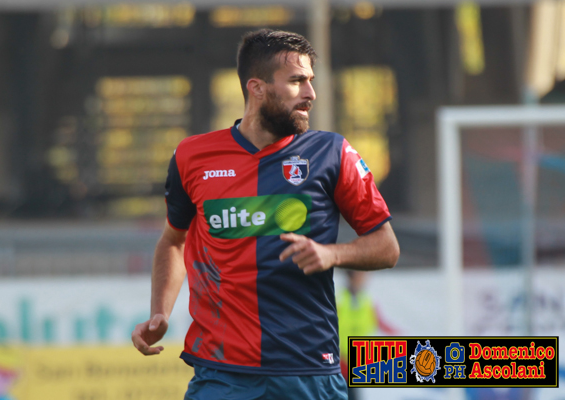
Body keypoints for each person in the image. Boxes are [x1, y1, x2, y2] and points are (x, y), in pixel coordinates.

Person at [131, 29, 400, 400]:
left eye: (311, 80)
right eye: (297, 81)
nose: (311, 93)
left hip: (309, 373)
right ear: (256, 88)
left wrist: (332, 254)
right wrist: (160, 311)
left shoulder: (332, 153)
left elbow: (387, 247)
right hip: (222, 375)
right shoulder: (192, 157)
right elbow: (174, 241)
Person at [337, 270, 398, 400]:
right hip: (341, 360)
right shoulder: (339, 300)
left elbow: (380, 322)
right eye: (361, 275)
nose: (364, 279)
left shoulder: (367, 300)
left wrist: (399, 335)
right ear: (352, 277)